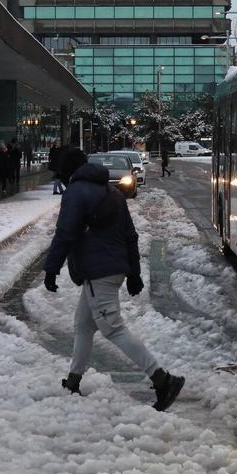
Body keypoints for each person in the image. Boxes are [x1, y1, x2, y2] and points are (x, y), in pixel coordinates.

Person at [42, 148, 185, 412]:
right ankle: (72, 382)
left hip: (99, 271)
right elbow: (130, 236)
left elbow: (65, 234)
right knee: (84, 325)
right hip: (113, 268)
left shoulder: (76, 193)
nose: (58, 178)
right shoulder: (112, 192)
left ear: (67, 170)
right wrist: (133, 273)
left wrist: (51, 269)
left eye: (59, 172)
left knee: (112, 328)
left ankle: (163, 379)